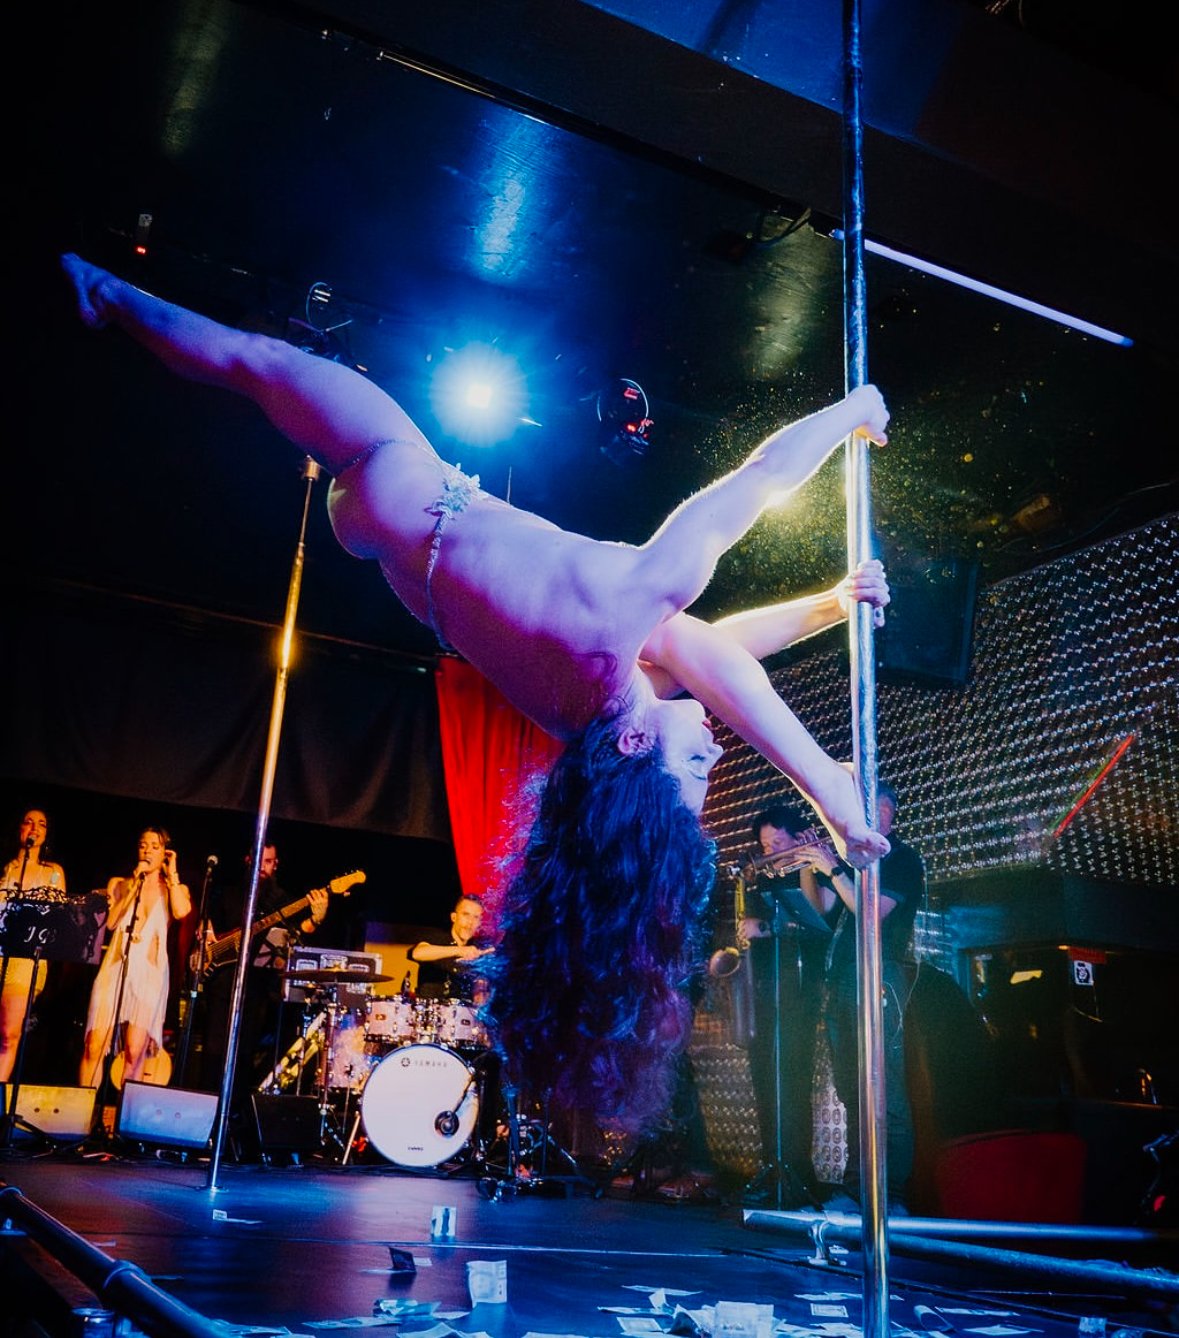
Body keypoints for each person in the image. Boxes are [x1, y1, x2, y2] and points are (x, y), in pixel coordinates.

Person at [62, 252, 891, 1132]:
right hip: (395, 543)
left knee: (257, 360)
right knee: (257, 370)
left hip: (405, 482)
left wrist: (852, 410)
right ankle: (111, 303)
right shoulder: (590, 699)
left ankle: (105, 292)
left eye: (694, 768)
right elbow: (721, 656)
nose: (715, 751)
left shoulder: (622, 613)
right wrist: (828, 606)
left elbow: (760, 478)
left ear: (637, 746)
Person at [807, 780, 925, 1213]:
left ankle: (892, 1196)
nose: (874, 816)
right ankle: (859, 1190)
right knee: (853, 1090)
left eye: (881, 809)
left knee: (884, 1088)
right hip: (842, 980)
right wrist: (811, 862)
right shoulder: (853, 861)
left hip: (880, 978)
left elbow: (871, 912)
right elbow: (821, 908)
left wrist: (834, 869)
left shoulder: (902, 859)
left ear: (892, 815)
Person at [740, 804, 836, 1207]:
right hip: (765, 990)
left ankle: (797, 1172)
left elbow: (818, 918)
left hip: (799, 992)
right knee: (765, 1081)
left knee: (793, 1082)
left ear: (798, 839)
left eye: (778, 842)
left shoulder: (818, 871)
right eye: (765, 845)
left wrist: (806, 864)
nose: (771, 851)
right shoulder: (760, 880)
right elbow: (748, 930)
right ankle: (772, 1167)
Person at [196, 843, 328, 1112]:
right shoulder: (228, 894)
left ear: (275, 864)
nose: (263, 868)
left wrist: (315, 920)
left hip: (256, 989)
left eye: (268, 862)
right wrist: (205, 934)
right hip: (221, 983)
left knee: (244, 1054)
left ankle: (234, 1114)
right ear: (248, 860)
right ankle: (204, 1111)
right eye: (259, 861)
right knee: (213, 1052)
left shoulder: (282, 900)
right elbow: (207, 925)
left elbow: (295, 934)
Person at [79, 826, 192, 1089]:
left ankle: (125, 1113)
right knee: (94, 1044)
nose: (147, 851)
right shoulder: (119, 883)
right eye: (143, 845)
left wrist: (172, 874)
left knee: (134, 1049)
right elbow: (111, 923)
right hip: (115, 967)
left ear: (165, 853)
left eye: (155, 846)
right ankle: (84, 1107)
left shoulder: (174, 888)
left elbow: (181, 911)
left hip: (150, 973)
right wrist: (134, 886)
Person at [1, 809, 68, 1083]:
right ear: (19, 828)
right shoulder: (5, 868)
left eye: (41, 824)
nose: (34, 828)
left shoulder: (52, 872)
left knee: (8, 1033)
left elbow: (58, 915)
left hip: (26, 958)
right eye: (28, 822)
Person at [408, 894, 494, 1001]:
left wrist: (481, 989)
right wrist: (460, 950)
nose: (470, 922)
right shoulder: (437, 938)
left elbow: (479, 993)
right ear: (454, 917)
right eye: (466, 915)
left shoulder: (477, 949)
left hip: (461, 1009)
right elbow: (417, 953)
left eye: (476, 917)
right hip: (430, 1007)